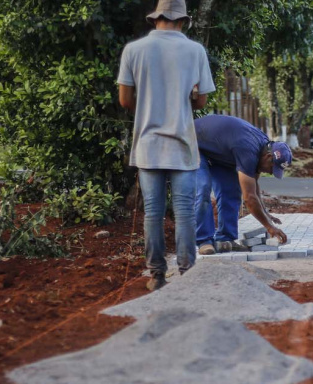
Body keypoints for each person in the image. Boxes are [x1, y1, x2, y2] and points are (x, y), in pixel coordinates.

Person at [117, 0, 215, 291]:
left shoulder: (133, 50)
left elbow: (124, 100)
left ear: (156, 18)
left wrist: (148, 108)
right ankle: (187, 274)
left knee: (153, 213)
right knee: (184, 211)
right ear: (183, 21)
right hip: (182, 145)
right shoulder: (195, 51)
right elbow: (200, 101)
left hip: (148, 144)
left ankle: (156, 275)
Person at [192, 115, 290, 254]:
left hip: (217, 151)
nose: (269, 172)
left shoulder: (263, 147)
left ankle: (225, 239)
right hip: (192, 143)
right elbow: (249, 198)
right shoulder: (248, 151)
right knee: (203, 188)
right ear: (268, 157)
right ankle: (204, 241)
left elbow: (254, 188)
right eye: (271, 168)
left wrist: (266, 214)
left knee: (231, 190)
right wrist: (269, 227)